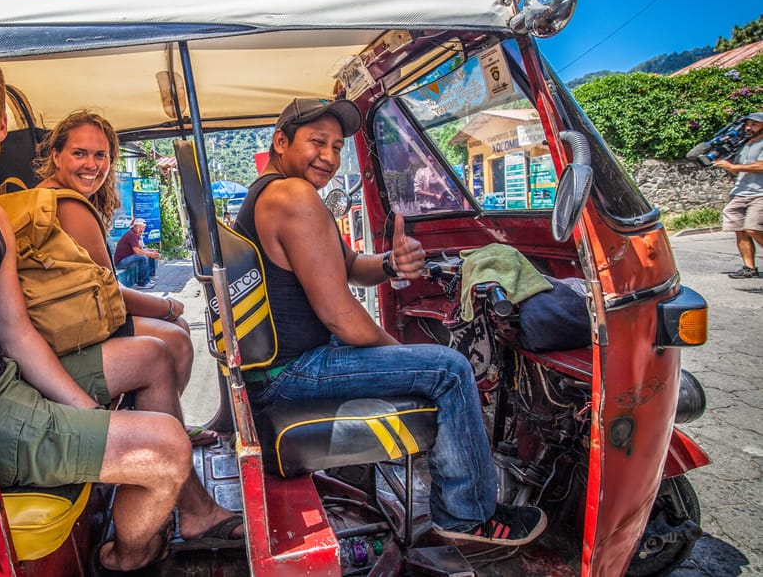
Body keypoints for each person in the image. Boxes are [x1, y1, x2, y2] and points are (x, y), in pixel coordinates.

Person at [0, 62, 237, 573]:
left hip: (4, 380)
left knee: (153, 353)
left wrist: (85, 411)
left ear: (2, 128)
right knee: (165, 449)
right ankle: (122, 559)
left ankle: (154, 505)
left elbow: (15, 331)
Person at [232, 97, 547, 547]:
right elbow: (341, 317)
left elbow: (352, 265)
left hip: (283, 367)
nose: (330, 157)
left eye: (338, 147)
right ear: (280, 142)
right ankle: (467, 516)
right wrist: (411, 363)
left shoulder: (273, 192)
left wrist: (392, 265)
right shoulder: (293, 196)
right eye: (317, 142)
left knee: (429, 363)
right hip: (293, 372)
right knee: (450, 369)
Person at [33, 110, 219, 448]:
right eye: (79, 153)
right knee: (175, 337)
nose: (92, 164)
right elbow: (111, 296)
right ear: (56, 156)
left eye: (100, 155)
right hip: (68, 331)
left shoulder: (42, 197)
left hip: (65, 319)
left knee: (174, 325)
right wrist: (168, 304)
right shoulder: (68, 206)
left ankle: (162, 418)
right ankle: (158, 433)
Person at [713, 112, 763, 279]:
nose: (749, 127)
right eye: (748, 124)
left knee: (753, 227)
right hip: (740, 192)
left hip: (759, 193)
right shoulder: (743, 144)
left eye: (754, 124)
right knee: (739, 229)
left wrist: (734, 167)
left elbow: (761, 166)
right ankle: (749, 267)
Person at [115, 218, 160, 289]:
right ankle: (143, 283)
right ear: (134, 226)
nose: (141, 229)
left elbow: (141, 248)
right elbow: (138, 252)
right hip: (121, 263)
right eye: (139, 227)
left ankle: (150, 277)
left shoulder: (136, 234)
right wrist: (150, 254)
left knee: (148, 254)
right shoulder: (131, 235)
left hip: (128, 259)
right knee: (143, 257)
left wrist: (151, 251)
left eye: (143, 227)